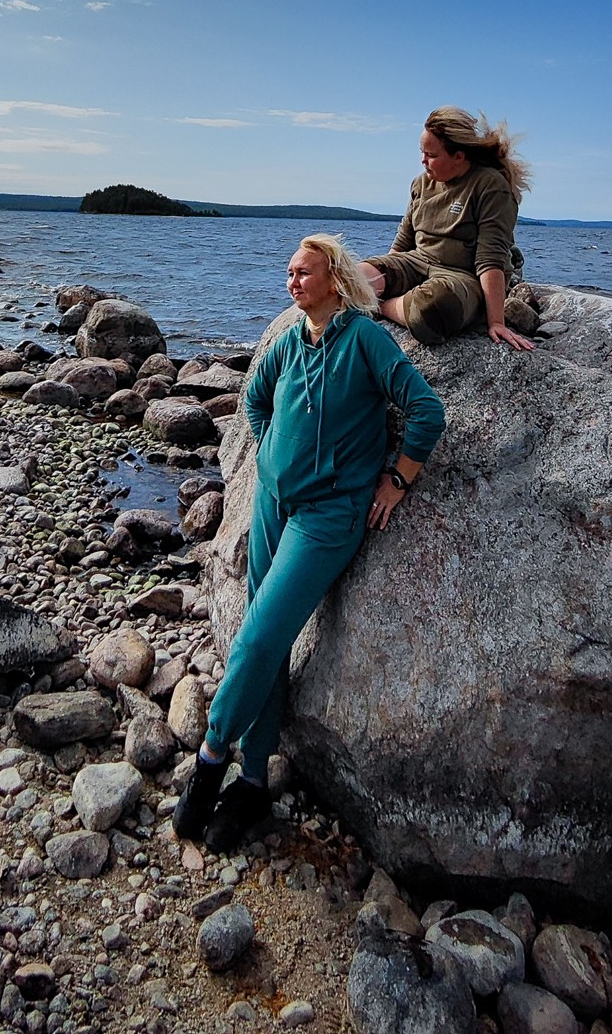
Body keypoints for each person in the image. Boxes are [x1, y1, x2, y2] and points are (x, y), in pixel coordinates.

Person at [173, 234, 445, 852]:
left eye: (303, 273)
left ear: (334, 280)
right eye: (289, 272)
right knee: (264, 638)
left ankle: (211, 758)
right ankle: (251, 779)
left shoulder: (366, 339)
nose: (292, 282)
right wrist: (269, 453)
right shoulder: (291, 338)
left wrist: (397, 479)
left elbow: (426, 410)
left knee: (262, 633)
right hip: (273, 503)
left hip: (327, 517)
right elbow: (253, 398)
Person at [361, 106, 534, 352]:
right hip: (417, 262)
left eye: (431, 154)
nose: (423, 160)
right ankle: (393, 302)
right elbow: (403, 242)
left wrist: (496, 321)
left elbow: (490, 258)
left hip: (462, 276)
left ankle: (382, 306)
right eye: (422, 152)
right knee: (351, 277)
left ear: (459, 156)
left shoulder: (491, 186)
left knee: (429, 311)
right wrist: (383, 276)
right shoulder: (421, 183)